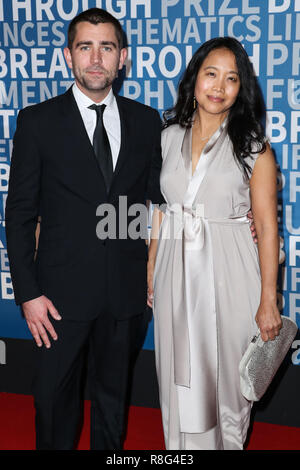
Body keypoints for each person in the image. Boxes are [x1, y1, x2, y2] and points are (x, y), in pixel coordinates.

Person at [5, 8, 164, 450]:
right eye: (85, 47)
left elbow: (165, 195)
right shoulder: (37, 121)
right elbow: (18, 213)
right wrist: (29, 294)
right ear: (68, 56)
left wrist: (236, 216)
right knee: (53, 408)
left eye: (107, 47)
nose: (96, 58)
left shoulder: (146, 121)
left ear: (123, 58)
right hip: (56, 301)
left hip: (125, 296)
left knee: (113, 409)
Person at [147, 37, 282, 450]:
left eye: (231, 79)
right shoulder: (167, 137)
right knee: (176, 376)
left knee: (226, 385)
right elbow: (161, 209)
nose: (219, 86)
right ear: (194, 78)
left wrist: (268, 299)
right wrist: (152, 266)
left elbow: (267, 225)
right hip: (174, 272)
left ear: (242, 90)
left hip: (230, 273)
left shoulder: (254, 148)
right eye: (211, 74)